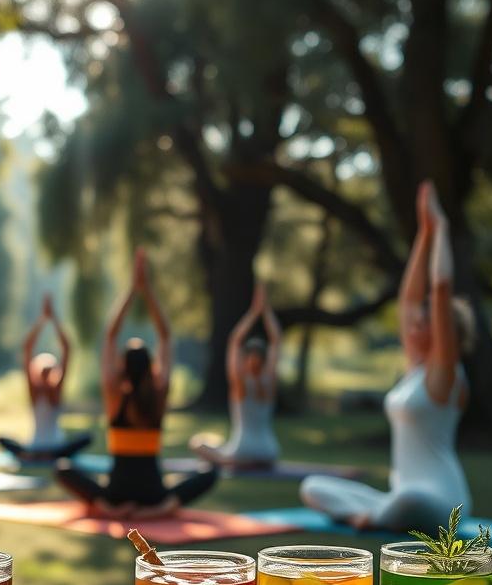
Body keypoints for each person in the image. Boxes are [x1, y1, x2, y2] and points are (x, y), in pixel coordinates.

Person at [299, 181, 474, 531]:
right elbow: (408, 299)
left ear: (443, 333)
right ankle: (369, 516)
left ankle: (375, 517)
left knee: (409, 502)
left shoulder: (446, 375)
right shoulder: (416, 370)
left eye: (423, 324)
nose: (412, 327)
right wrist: (424, 234)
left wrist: (441, 228)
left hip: (441, 501)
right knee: (313, 487)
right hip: (399, 495)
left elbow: (440, 289)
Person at [56, 248, 217, 517]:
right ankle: (161, 508)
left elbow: (110, 335)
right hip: (153, 493)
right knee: (209, 473)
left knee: (62, 468)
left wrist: (132, 290)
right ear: (151, 366)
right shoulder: (159, 394)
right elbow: (166, 336)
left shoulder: (114, 394)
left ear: (122, 367)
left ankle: (107, 508)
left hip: (117, 493)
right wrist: (148, 291)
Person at [190, 282, 281, 469]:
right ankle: (241, 461)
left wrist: (254, 312)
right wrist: (266, 311)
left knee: (197, 443)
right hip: (269, 451)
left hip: (242, 450)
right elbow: (276, 339)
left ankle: (229, 461)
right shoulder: (269, 382)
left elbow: (235, 341)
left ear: (245, 360)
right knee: (218, 443)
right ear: (265, 361)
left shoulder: (239, 381)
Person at [0, 294, 91, 461]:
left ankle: (34, 455)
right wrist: (47, 318)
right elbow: (30, 348)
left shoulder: (48, 390)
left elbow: (64, 349)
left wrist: (48, 318)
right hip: (52, 448)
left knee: (86, 437)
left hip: (41, 448)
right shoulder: (41, 391)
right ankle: (42, 454)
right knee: (2, 438)